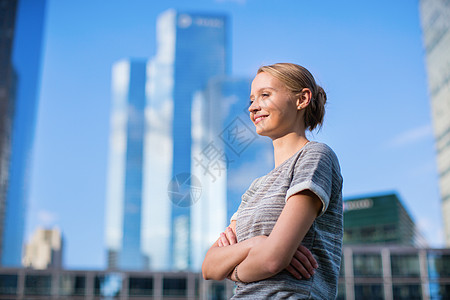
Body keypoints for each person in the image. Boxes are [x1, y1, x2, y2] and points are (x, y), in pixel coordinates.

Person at [202, 63, 343, 299]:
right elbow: (209, 266)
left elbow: (272, 260)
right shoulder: (256, 187)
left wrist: (232, 268)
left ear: (302, 99)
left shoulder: (315, 156)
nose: (253, 107)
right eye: (251, 99)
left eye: (265, 95)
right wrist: (255, 244)